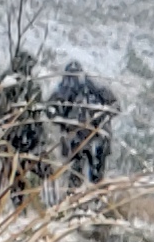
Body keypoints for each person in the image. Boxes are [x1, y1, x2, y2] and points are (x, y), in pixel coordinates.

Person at [0, 48, 51, 206]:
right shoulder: (24, 84)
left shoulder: (4, 82)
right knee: (34, 169)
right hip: (24, 135)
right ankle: (39, 203)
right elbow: (37, 110)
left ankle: (20, 203)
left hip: (14, 134)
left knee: (16, 171)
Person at [47, 57, 119, 192]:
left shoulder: (93, 88)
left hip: (97, 136)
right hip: (75, 139)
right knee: (75, 174)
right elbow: (50, 109)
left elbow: (114, 106)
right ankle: (74, 201)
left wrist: (101, 117)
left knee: (96, 175)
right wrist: (63, 122)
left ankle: (97, 200)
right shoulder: (63, 90)